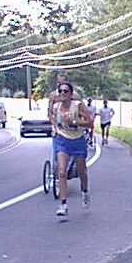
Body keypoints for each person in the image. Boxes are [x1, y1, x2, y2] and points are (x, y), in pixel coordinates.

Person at [49, 82, 94, 218]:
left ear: (71, 94)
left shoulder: (78, 106)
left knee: (81, 171)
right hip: (62, 140)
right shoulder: (56, 107)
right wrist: (56, 127)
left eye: (66, 91)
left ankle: (85, 191)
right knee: (61, 172)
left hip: (77, 140)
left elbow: (90, 123)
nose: (63, 93)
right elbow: (51, 116)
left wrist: (74, 122)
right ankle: (63, 204)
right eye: (60, 91)